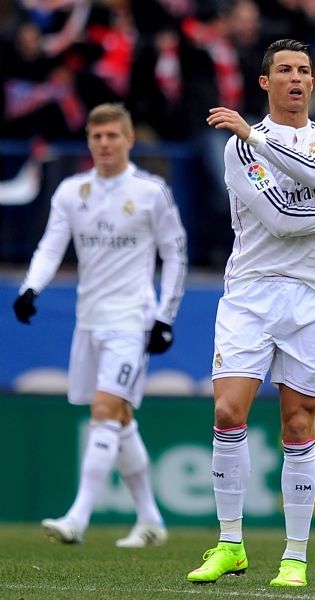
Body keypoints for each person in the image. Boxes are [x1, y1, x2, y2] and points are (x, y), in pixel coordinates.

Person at [186, 39, 315, 587]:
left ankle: (295, 556)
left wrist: (256, 137)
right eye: (285, 71)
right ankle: (230, 544)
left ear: (313, 82)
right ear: (265, 82)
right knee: (228, 411)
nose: (296, 78)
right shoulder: (239, 147)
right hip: (249, 292)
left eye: (304, 70)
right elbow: (283, 221)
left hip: (311, 295)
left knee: (298, 423)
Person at [12, 102, 188, 547]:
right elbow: (51, 246)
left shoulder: (151, 192)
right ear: (89, 141)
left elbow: (175, 253)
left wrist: (165, 316)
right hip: (88, 319)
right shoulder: (72, 191)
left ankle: (77, 518)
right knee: (120, 417)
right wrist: (31, 288)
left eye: (112, 136)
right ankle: (150, 520)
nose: (105, 144)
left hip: (132, 320)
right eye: (97, 137)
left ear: (129, 139)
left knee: (105, 411)